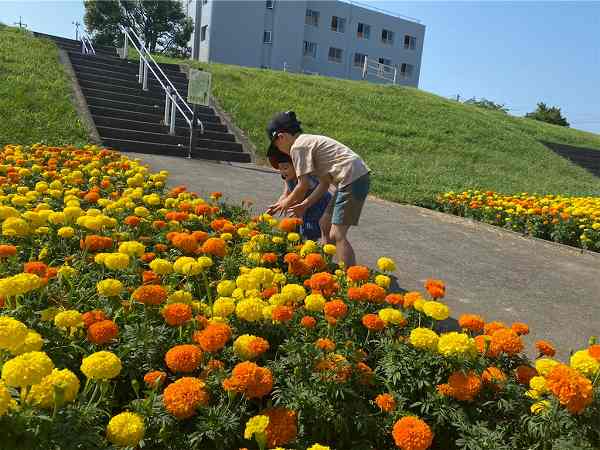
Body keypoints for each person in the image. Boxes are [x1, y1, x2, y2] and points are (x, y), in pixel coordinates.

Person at [265, 111, 370, 267]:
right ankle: (324, 266)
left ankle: (351, 279)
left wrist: (285, 203)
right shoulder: (308, 143)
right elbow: (324, 184)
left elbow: (303, 185)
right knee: (324, 223)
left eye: (276, 146)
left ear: (281, 137)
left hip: (352, 178)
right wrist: (304, 205)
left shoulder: (298, 147)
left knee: (337, 234)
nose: (279, 151)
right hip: (353, 177)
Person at [268, 149, 332, 241]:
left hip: (318, 202)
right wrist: (275, 206)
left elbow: (298, 198)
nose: (282, 172)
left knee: (309, 228)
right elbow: (286, 194)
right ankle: (300, 247)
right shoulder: (288, 178)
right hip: (304, 205)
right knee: (297, 226)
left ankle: (311, 249)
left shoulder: (305, 179)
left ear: (297, 167)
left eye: (285, 168)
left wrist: (287, 205)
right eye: (280, 168)